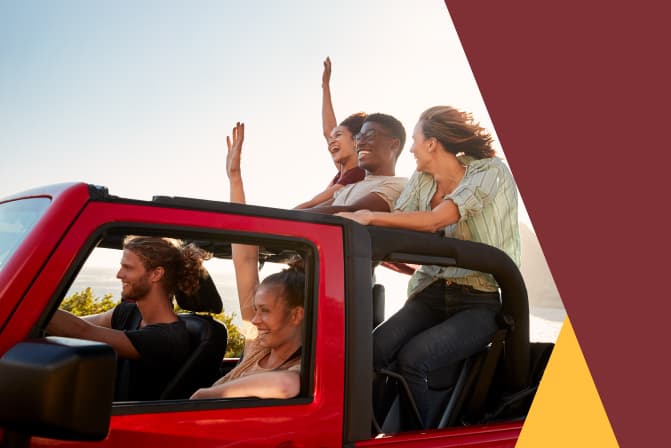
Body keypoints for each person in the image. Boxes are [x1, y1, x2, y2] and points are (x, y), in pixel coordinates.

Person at [338, 106, 520, 428]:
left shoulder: (489, 171)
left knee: (414, 358)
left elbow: (440, 219)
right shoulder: (422, 180)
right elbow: (399, 225)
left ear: (432, 143)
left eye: (416, 140)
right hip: (430, 293)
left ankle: (415, 438)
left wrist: (368, 216)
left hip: (478, 300)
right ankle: (366, 431)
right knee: (372, 350)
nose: (411, 148)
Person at [191, 122, 305, 399]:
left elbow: (285, 386)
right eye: (256, 309)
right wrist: (234, 178)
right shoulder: (258, 346)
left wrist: (205, 397)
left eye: (264, 310)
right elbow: (244, 258)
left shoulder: (300, 368)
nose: (254, 320)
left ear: (296, 314)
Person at [46, 236, 212, 401]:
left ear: (156, 274)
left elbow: (82, 331)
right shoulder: (128, 312)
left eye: (128, 268)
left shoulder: (168, 339)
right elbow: (78, 323)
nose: (119, 275)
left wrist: (30, 304)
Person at [294, 57, 366, 209]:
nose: (331, 140)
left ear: (355, 140)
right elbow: (329, 130)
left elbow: (313, 204)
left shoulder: (358, 173)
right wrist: (325, 86)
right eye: (331, 138)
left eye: (338, 136)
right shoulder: (342, 172)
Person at [302, 112, 408, 214]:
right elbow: (316, 211)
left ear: (394, 145)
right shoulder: (347, 188)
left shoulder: (397, 185)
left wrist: (289, 218)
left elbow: (353, 211)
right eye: (359, 137)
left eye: (370, 135)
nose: (360, 143)